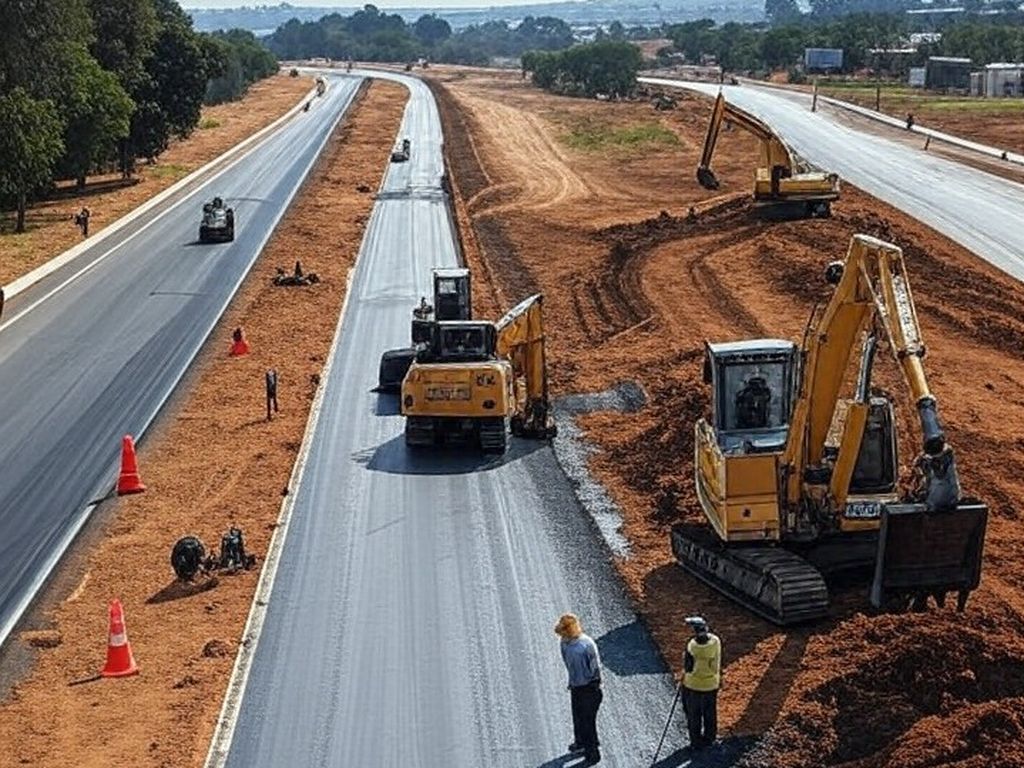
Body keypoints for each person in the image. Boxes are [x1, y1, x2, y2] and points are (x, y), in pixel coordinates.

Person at [555, 613, 603, 765]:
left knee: (588, 721)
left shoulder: (587, 645)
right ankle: (581, 742)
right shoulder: (564, 643)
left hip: (590, 687)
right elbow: (567, 663)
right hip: (576, 686)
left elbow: (595, 667)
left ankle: (593, 753)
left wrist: (592, 682)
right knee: (578, 717)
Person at [682, 616, 721, 750]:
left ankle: (696, 742)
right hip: (711, 685)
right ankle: (710, 738)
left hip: (693, 685)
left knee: (694, 714)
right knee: (710, 713)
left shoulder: (692, 646)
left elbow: (688, 667)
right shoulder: (716, 641)